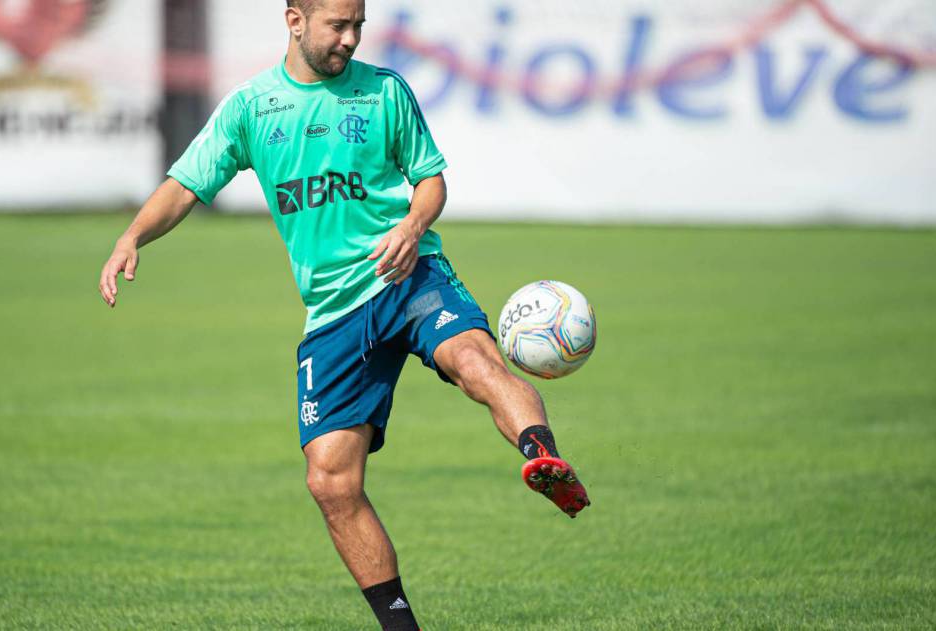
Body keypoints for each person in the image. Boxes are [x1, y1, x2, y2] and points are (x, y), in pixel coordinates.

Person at [97, 1, 590, 628]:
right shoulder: (252, 109)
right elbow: (185, 185)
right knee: (331, 481)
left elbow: (432, 180)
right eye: (338, 26)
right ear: (295, 20)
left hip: (408, 275)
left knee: (472, 358)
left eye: (358, 26)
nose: (351, 39)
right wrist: (132, 237)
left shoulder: (385, 92)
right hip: (332, 313)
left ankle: (542, 456)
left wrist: (413, 224)